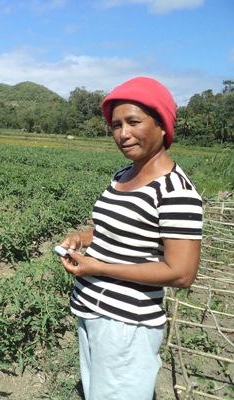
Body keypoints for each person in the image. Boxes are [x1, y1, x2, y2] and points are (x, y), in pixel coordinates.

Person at [58, 77, 203, 400]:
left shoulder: (176, 191)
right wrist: (82, 237)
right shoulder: (123, 175)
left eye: (133, 122)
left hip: (127, 325)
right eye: (116, 125)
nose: (123, 134)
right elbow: (114, 229)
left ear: (162, 126)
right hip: (90, 309)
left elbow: (181, 273)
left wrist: (98, 267)